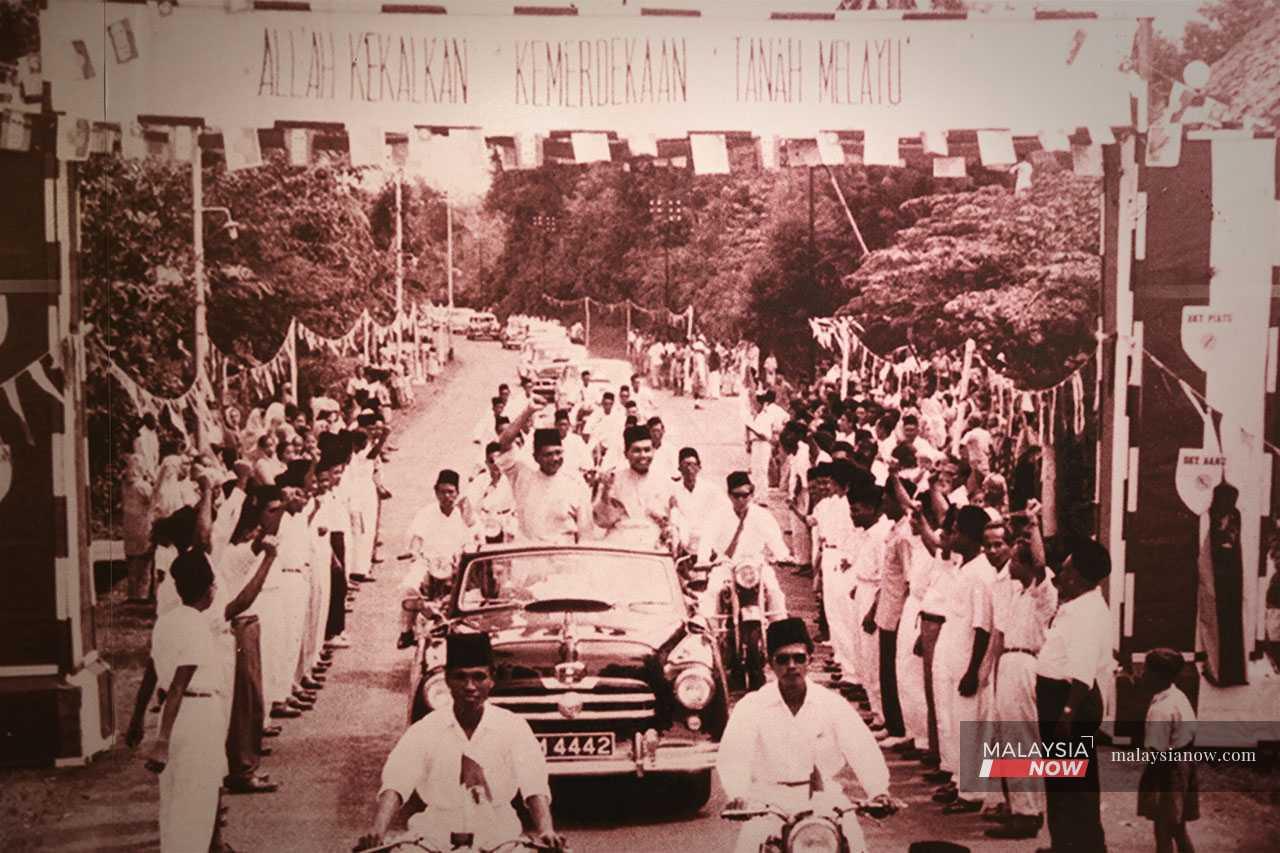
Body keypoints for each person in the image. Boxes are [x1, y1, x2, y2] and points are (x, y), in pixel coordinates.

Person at [357, 634, 563, 852]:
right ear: (447, 679)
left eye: (479, 677)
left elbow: (534, 782)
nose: (470, 686)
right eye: (460, 677)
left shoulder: (513, 727)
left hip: (500, 837)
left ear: (491, 679)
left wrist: (546, 830)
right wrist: (377, 831)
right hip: (433, 838)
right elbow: (397, 782)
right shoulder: (425, 729)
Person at [717, 618, 893, 853]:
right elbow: (734, 755)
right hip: (767, 804)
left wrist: (878, 791)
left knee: (854, 844)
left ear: (809, 659)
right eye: (783, 659)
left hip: (824, 801)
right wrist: (738, 794)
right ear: (771, 664)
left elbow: (862, 748)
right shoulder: (751, 706)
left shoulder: (831, 704)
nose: (792, 665)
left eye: (799, 657)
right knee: (751, 847)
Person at [1034, 538, 1114, 853]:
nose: (1059, 577)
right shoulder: (1079, 605)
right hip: (1062, 699)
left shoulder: (1087, 611)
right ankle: (1066, 844)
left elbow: (1082, 672)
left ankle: (1081, 846)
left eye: (1065, 571)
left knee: (1073, 782)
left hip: (1070, 701)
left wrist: (1067, 715)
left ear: (1079, 576)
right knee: (1063, 779)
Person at [985, 501, 1056, 840]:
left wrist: (1035, 526)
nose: (1008, 563)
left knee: (1021, 739)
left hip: (1026, 662)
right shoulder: (1015, 591)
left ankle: (1028, 814)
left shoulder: (1042, 592)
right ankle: (1019, 806)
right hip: (1009, 663)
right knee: (1007, 737)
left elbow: (1040, 564)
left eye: (1014, 559)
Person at [400, 470, 478, 647]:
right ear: (436, 492)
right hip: (429, 562)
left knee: (475, 593)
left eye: (451, 492)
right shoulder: (426, 513)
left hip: (456, 563)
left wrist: (464, 555)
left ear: (457, 493)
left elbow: (474, 537)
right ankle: (406, 631)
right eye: (443, 492)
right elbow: (417, 538)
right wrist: (414, 551)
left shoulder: (465, 515)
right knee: (409, 586)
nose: (447, 496)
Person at [497, 404, 591, 544]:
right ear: (536, 457)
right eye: (548, 454)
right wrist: (528, 410)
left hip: (563, 559)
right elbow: (504, 443)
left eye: (558, 453)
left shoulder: (575, 484)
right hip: (527, 556)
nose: (554, 459)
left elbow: (585, 534)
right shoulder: (523, 477)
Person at [1138, 648, 1199, 853]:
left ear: (1159, 676)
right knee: (1178, 826)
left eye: (1146, 671)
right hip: (1185, 765)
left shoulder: (1161, 709)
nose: (1142, 675)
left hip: (1167, 771)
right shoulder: (1178, 696)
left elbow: (1157, 751)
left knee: (1163, 828)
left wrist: (1151, 784)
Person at [593, 425, 678, 549]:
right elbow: (602, 522)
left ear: (653, 451)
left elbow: (676, 520)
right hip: (620, 544)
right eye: (637, 450)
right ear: (626, 454)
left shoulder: (665, 482)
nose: (643, 455)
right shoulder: (613, 480)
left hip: (655, 547)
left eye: (647, 450)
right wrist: (606, 493)